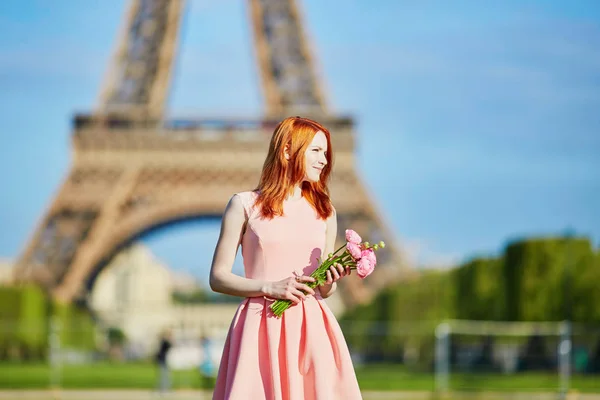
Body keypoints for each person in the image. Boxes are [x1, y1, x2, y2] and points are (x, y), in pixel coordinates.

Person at [209, 116, 362, 399]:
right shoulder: (243, 204)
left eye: (326, 153)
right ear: (288, 151)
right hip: (260, 323)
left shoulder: (326, 212)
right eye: (316, 151)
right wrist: (270, 287)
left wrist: (329, 282)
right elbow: (217, 278)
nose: (325, 160)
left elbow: (323, 289)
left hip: (312, 327)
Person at [154, 328, 173, 395]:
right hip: (162, 361)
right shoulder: (164, 341)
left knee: (165, 376)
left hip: (164, 361)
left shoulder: (163, 341)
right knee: (163, 376)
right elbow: (170, 345)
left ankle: (164, 389)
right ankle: (162, 390)